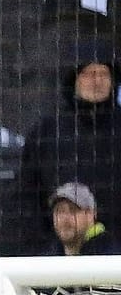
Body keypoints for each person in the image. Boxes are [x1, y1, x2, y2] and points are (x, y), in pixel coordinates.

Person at [15, 46, 121, 243]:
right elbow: (27, 198)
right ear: (75, 80)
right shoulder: (46, 132)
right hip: (61, 259)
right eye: (89, 73)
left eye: (104, 74)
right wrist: (46, 250)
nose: (97, 81)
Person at [45, 182, 118, 257]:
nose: (65, 218)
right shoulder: (46, 258)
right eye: (59, 211)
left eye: (73, 210)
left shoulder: (111, 254)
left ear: (91, 214)